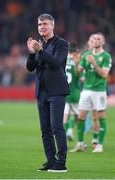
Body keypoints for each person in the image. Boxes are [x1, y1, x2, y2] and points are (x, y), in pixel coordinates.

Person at [26, 13, 69, 172]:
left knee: (57, 127)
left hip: (57, 91)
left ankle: (61, 162)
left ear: (52, 26)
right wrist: (32, 53)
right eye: (39, 24)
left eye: (44, 24)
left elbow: (57, 63)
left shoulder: (61, 44)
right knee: (45, 130)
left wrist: (41, 51)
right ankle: (51, 161)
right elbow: (30, 68)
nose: (41, 27)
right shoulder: (38, 46)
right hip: (42, 92)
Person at [70, 32, 112, 153]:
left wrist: (93, 63)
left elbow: (104, 74)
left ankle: (99, 145)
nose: (96, 40)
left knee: (100, 117)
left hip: (99, 91)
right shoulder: (85, 55)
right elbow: (79, 73)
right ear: (91, 41)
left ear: (103, 42)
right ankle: (80, 144)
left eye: (98, 39)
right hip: (86, 90)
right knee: (81, 116)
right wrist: (77, 63)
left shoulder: (106, 56)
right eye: (93, 39)